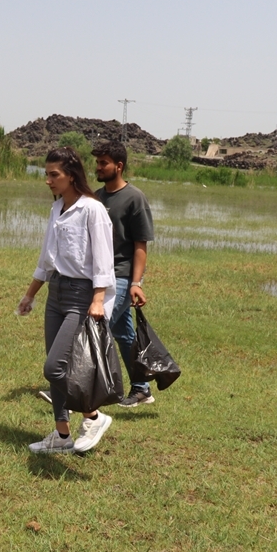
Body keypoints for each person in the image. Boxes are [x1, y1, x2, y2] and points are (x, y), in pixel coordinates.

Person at [16, 147, 116, 455]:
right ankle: (61, 436)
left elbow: (103, 260)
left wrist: (98, 300)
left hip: (81, 296)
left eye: (54, 174)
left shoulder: (92, 210)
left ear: (71, 175)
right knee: (55, 362)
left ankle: (94, 416)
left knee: (54, 368)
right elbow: (48, 258)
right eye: (46, 174)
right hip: (56, 293)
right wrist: (30, 294)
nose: (48, 180)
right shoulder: (57, 208)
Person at [92, 140, 156, 407]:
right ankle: (141, 388)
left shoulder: (134, 198)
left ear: (118, 166)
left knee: (96, 328)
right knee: (123, 333)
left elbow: (140, 245)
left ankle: (84, 387)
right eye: (97, 162)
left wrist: (136, 282)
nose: (98, 167)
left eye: (103, 163)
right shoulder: (96, 197)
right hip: (99, 275)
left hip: (119, 276)